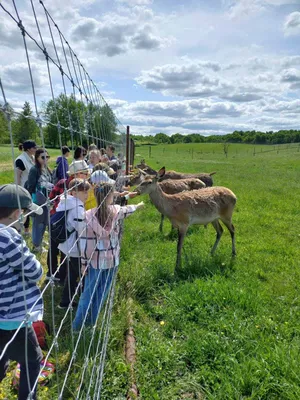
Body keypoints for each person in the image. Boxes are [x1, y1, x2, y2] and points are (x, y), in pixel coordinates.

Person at [72, 183, 144, 331]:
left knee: (87, 294)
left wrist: (84, 264)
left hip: (95, 262)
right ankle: (91, 323)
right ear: (110, 196)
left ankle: (77, 326)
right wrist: (139, 205)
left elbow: (86, 246)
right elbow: (128, 209)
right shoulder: (116, 211)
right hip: (112, 260)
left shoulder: (86, 216)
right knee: (101, 292)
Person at [0, 184, 44, 400]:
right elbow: (35, 271)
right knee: (32, 360)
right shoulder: (8, 237)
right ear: (18, 214)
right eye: (26, 214)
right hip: (12, 317)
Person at [47, 160, 90, 283]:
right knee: (55, 249)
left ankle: (61, 276)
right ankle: (52, 273)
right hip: (59, 221)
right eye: (84, 173)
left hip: (63, 221)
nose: (86, 176)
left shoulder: (80, 185)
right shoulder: (68, 185)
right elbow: (51, 197)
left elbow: (52, 198)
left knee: (64, 251)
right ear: (75, 174)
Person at [57, 178, 90, 309]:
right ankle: (86, 298)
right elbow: (82, 229)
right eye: (84, 192)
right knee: (83, 273)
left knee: (73, 273)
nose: (87, 195)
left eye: (87, 192)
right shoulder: (77, 207)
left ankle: (65, 301)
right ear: (74, 193)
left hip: (67, 244)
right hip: (75, 246)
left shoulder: (68, 203)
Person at [25, 149, 53, 253]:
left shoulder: (46, 169)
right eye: (43, 157)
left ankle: (40, 241)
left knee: (45, 221)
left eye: (47, 157)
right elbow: (31, 187)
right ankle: (37, 246)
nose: (45, 159)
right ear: (37, 158)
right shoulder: (34, 170)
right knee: (38, 223)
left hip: (46, 200)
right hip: (37, 201)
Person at [15, 140, 37, 235]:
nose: (36, 149)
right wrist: (19, 189)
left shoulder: (32, 157)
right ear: (28, 149)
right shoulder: (20, 160)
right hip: (25, 188)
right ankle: (25, 230)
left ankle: (30, 230)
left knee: (32, 208)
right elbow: (17, 176)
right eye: (34, 147)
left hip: (33, 187)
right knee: (25, 210)